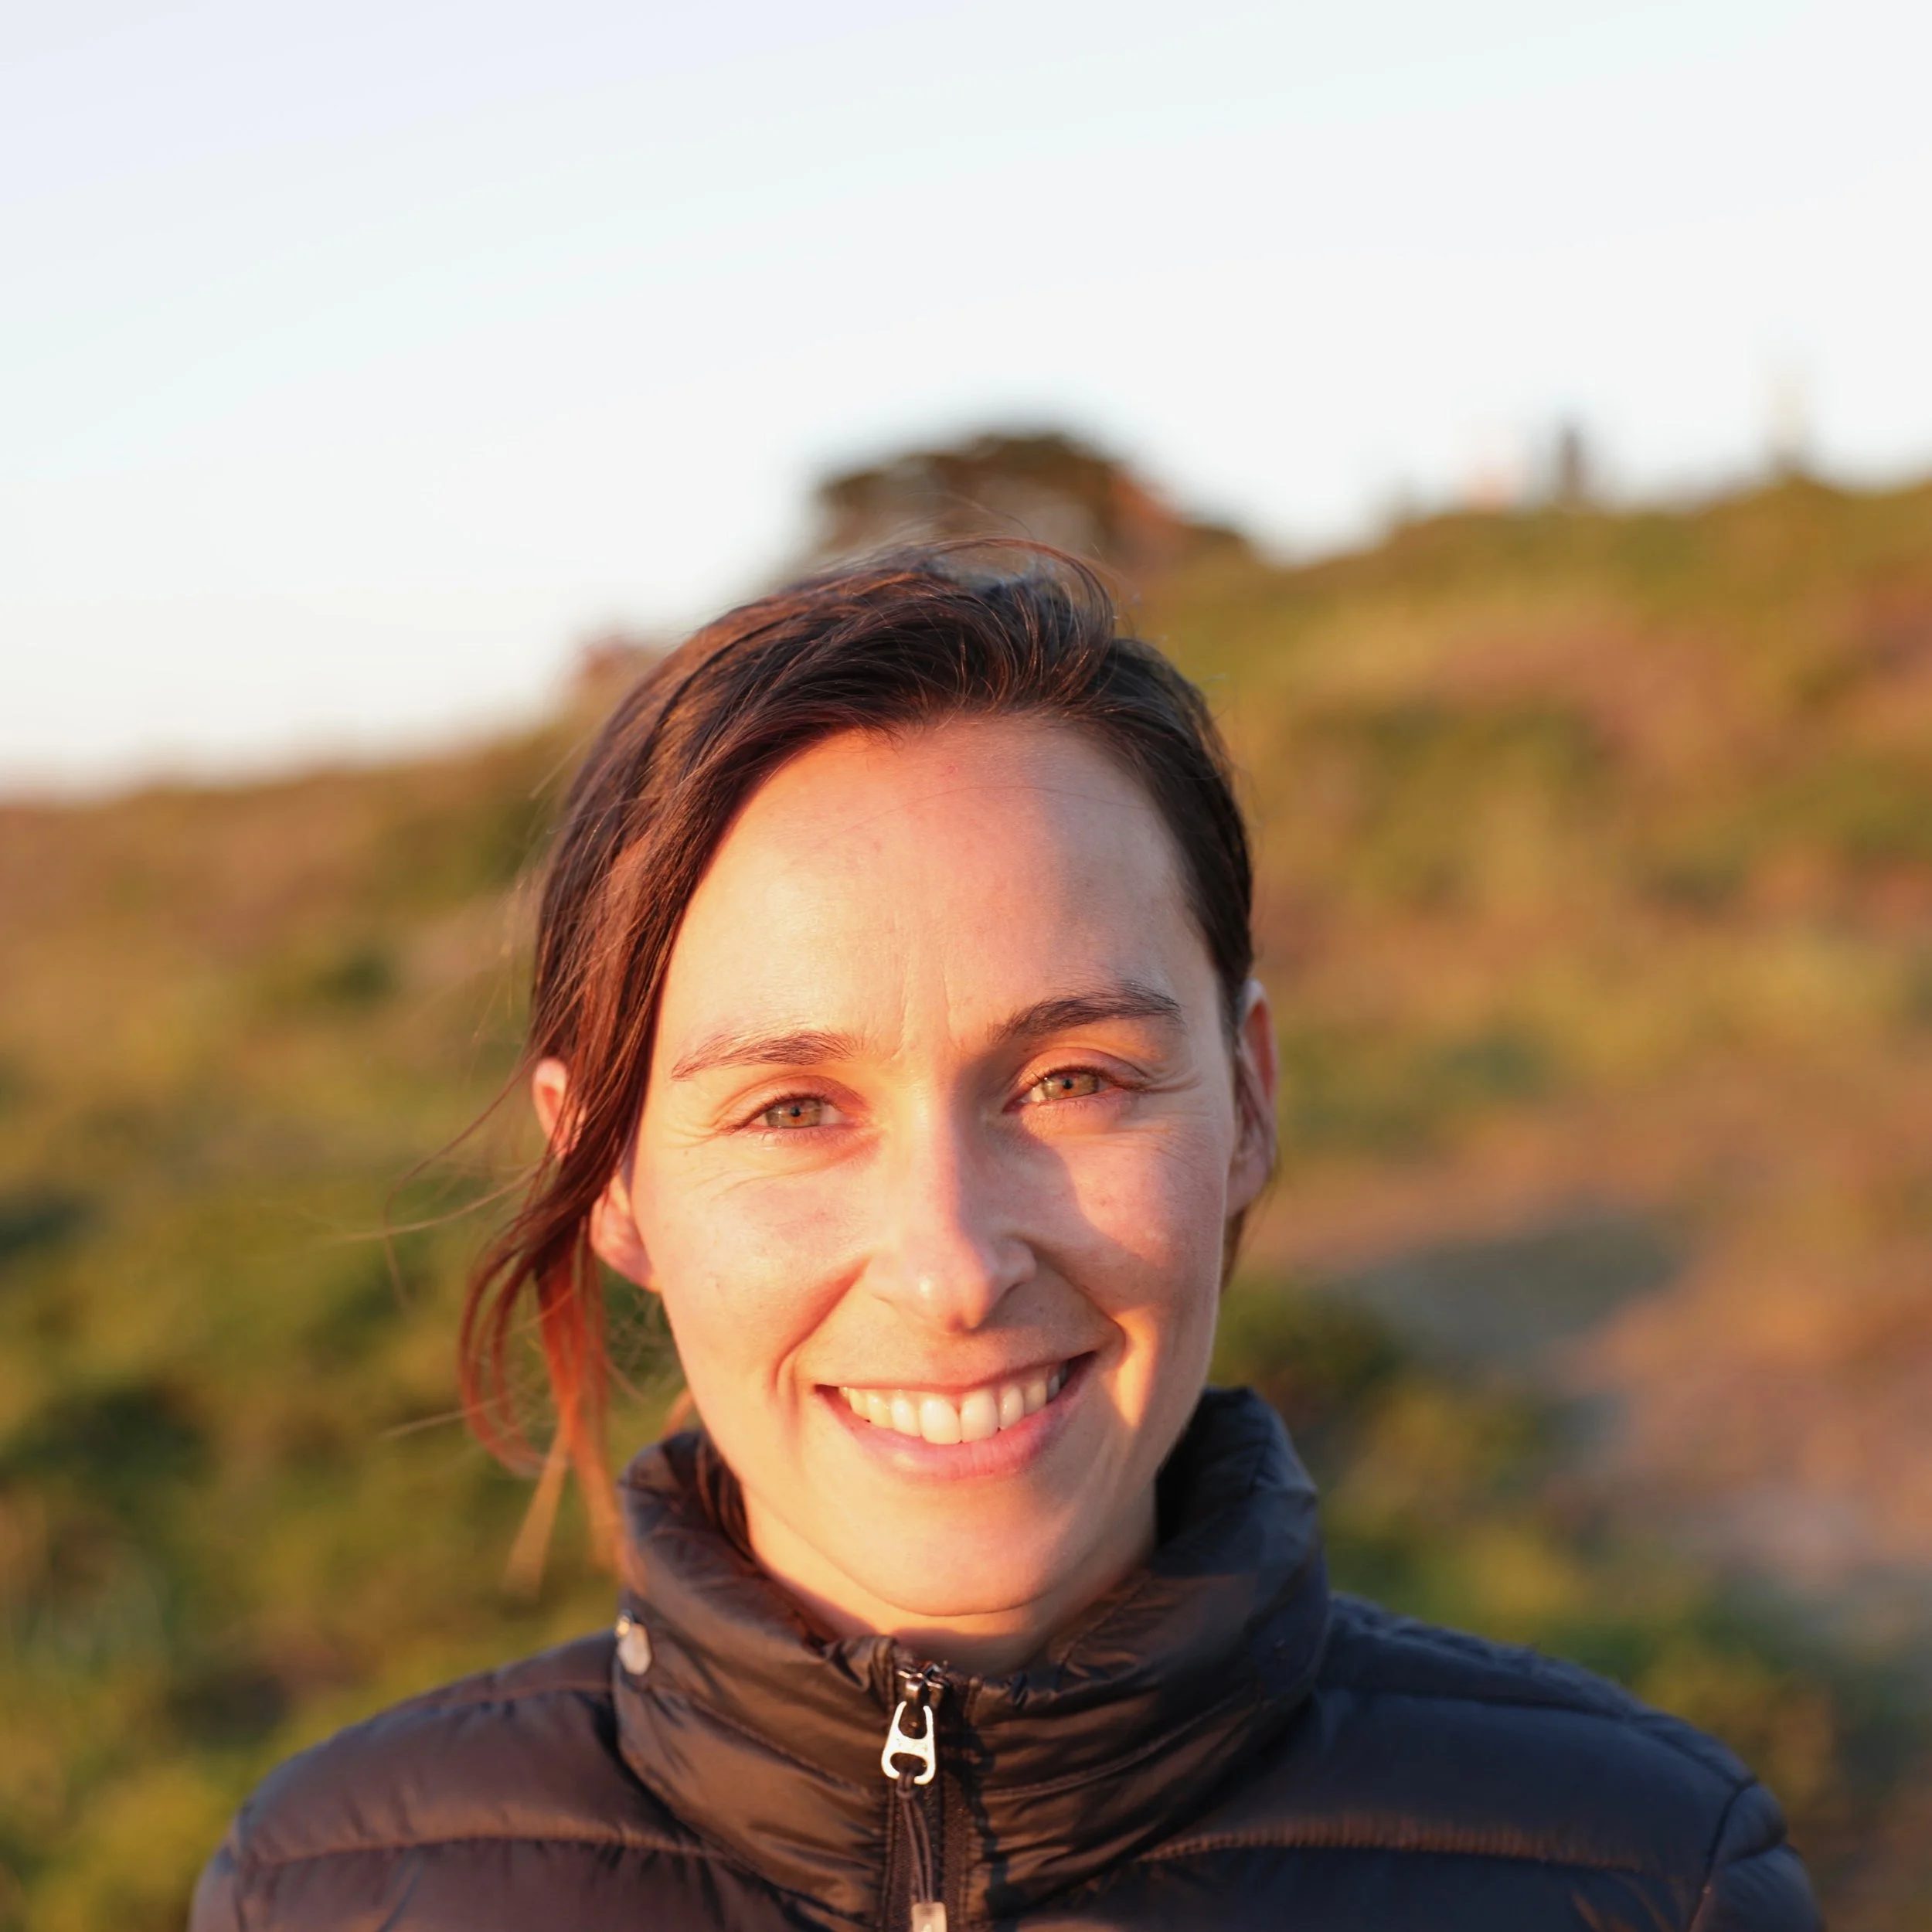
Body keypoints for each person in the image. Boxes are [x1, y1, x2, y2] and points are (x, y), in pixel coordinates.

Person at [193, 548, 1819, 1930]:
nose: (952, 1265)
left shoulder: (1640, 1875)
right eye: (793, 1107)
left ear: (1248, 1099)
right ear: (609, 1175)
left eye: (1070, 1080)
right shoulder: (327, 1890)